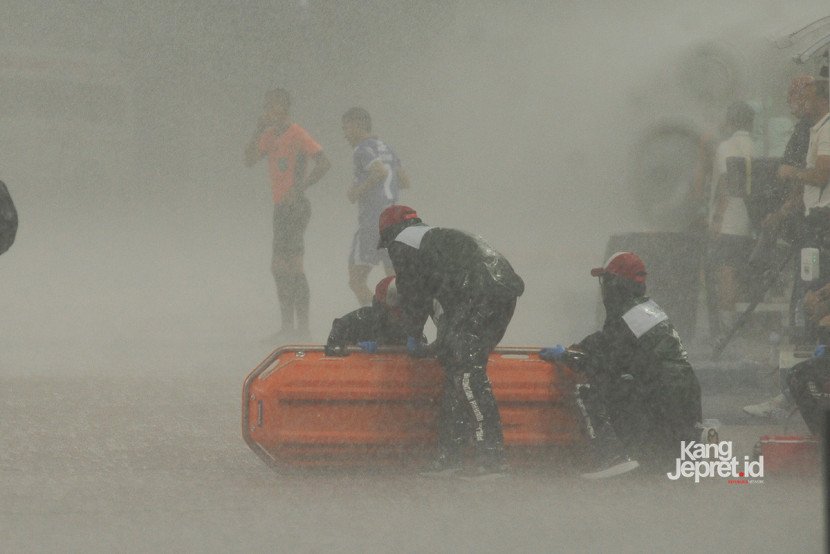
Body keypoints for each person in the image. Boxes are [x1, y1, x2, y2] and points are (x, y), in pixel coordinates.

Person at [377, 205, 524, 479]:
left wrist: (413, 335)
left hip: (479, 294)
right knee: (457, 371)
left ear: (389, 234)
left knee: (466, 375)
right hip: (500, 292)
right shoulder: (436, 239)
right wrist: (441, 344)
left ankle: (490, 458)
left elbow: (414, 293)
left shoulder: (403, 241)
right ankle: (452, 455)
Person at [540, 252, 702, 478]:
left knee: (586, 389)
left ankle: (612, 456)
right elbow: (609, 341)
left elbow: (603, 364)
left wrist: (568, 358)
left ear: (615, 284)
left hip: (661, 394)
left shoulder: (625, 317)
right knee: (669, 466)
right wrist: (579, 347)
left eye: (605, 280)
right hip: (685, 393)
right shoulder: (644, 310)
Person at [745, 79, 830, 418]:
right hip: (815, 223)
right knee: (808, 300)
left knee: (812, 299)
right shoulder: (813, 129)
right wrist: (782, 213)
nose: (798, 103)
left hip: (822, 225)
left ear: (820, 97)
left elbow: (821, 175)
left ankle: (804, 387)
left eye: (804, 96)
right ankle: (803, 384)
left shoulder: (827, 128)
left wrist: (790, 172)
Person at [245, 88, 331, 341]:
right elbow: (248, 160)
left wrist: (301, 187)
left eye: (272, 106)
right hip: (280, 207)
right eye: (266, 106)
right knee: (279, 267)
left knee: (293, 266)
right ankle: (287, 327)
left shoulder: (297, 133)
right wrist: (258, 130)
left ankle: (301, 329)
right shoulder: (269, 135)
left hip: (296, 207)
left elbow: (324, 162)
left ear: (284, 107)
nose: (267, 111)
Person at [341, 107, 411, 306]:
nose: (344, 134)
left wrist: (356, 191)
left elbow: (379, 171)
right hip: (394, 221)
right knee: (394, 282)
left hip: (373, 221)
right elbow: (405, 181)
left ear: (358, 125)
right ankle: (399, 322)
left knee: (356, 281)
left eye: (346, 128)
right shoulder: (387, 147)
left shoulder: (361, 149)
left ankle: (377, 320)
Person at [706, 100, 756, 338]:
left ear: (731, 121)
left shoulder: (726, 146)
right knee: (738, 273)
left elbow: (727, 182)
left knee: (725, 273)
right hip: (750, 220)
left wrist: (717, 218)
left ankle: (727, 329)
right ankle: (738, 325)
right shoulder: (755, 147)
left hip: (729, 221)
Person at [324, 276, 411, 356]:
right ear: (383, 304)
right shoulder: (360, 320)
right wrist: (353, 349)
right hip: (361, 366)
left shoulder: (410, 324)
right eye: (394, 309)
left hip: (397, 366)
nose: (398, 315)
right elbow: (333, 346)